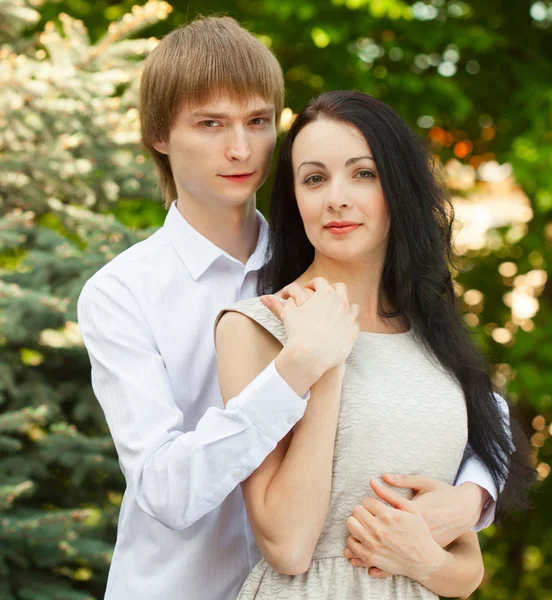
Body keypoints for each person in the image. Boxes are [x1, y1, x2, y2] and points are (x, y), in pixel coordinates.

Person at [77, 16, 517, 600]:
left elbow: (471, 400)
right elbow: (166, 491)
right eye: (210, 124)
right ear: (159, 134)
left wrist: (472, 499)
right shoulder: (122, 292)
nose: (239, 148)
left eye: (258, 122)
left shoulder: (328, 254)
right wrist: (299, 370)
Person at [214, 90, 532, 599]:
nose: (337, 197)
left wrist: (427, 553)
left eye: (363, 173)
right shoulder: (256, 327)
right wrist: (326, 366)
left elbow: (467, 573)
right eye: (314, 178)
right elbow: (288, 546)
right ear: (296, 200)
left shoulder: (436, 338)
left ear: (398, 188)